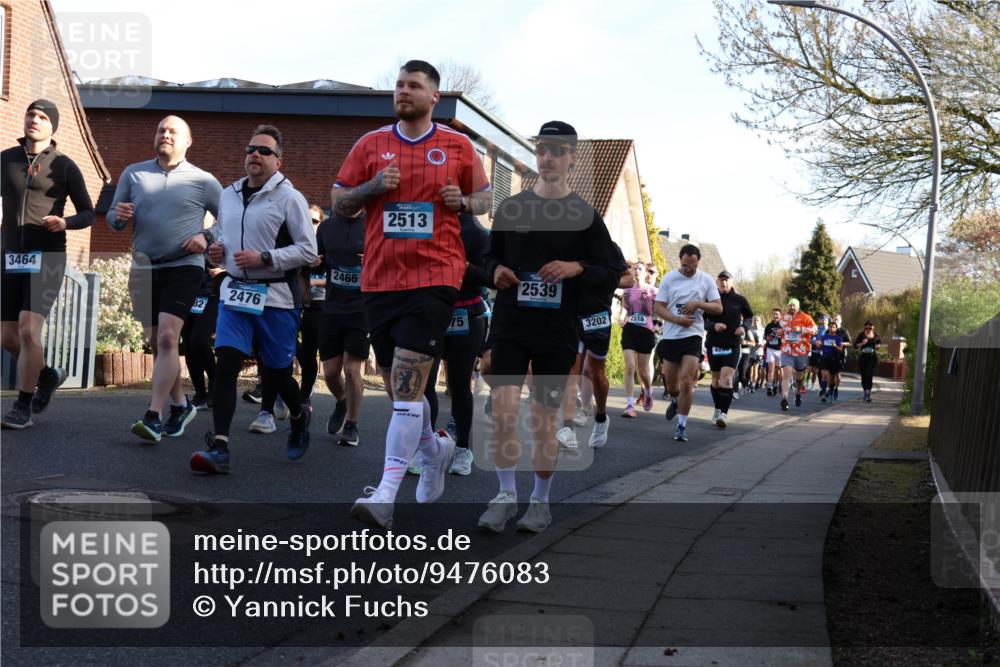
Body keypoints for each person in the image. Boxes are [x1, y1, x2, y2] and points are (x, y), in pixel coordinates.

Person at [332, 60, 492, 529]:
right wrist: (370, 188)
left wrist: (461, 202)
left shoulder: (457, 146)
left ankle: (385, 493)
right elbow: (339, 200)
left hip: (436, 276)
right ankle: (433, 447)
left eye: (413, 86)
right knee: (399, 382)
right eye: (399, 85)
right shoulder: (370, 144)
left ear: (433, 97)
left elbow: (485, 199)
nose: (403, 92)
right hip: (380, 279)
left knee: (405, 385)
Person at [477, 119, 620, 533]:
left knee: (543, 421)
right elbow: (488, 258)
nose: (548, 157)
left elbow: (611, 270)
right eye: (542, 149)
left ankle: (540, 503)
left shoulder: (584, 217)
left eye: (558, 151)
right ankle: (505, 496)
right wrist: (496, 270)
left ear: (572, 158)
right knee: (503, 414)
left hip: (557, 330)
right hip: (510, 323)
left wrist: (577, 267)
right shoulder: (512, 208)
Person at [189, 124, 317, 473]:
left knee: (276, 373)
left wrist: (265, 258)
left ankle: (298, 412)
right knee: (227, 363)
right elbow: (226, 240)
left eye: (264, 151)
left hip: (276, 295)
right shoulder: (228, 195)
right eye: (251, 150)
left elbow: (308, 249)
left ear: (278, 161)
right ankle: (220, 448)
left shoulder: (291, 198)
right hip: (235, 294)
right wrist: (218, 252)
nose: (255, 155)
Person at [108, 116, 223, 441]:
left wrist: (207, 235)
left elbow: (230, 217)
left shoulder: (203, 179)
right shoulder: (134, 172)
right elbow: (115, 219)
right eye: (161, 129)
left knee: (169, 339)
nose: (165, 134)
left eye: (173, 131)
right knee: (158, 343)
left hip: (184, 266)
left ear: (188, 141)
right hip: (144, 266)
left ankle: (153, 416)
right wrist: (118, 217)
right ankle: (180, 404)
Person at [1, 100, 95, 429]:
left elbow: (88, 211)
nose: (35, 120)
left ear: (52, 126)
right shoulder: (6, 160)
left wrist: (65, 222)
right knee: (7, 336)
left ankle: (22, 406)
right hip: (11, 256)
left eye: (42, 117)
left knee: (28, 329)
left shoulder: (65, 165)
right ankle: (46, 375)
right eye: (31, 114)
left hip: (49, 256)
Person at [423, 213, 491, 473]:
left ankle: (463, 449)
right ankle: (427, 448)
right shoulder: (428, 221)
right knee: (425, 385)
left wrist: (459, 265)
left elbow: (489, 277)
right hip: (432, 312)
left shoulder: (475, 232)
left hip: (466, 313)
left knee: (459, 385)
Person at [556, 242, 630, 449]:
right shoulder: (565, 244)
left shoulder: (608, 246)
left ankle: (601, 417)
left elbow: (629, 279)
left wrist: (603, 281)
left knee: (594, 374)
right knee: (571, 370)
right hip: (570, 313)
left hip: (597, 314)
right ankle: (568, 428)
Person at [653, 244, 723, 442]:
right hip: (671, 336)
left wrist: (699, 304)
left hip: (693, 336)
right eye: (684, 265)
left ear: (697, 262)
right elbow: (659, 307)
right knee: (673, 386)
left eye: (691, 266)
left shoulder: (706, 280)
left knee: (686, 381)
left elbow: (718, 308)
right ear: (680, 261)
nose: (688, 269)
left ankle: (682, 426)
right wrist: (677, 320)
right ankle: (675, 400)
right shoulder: (669, 279)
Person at [316, 209, 369, 447]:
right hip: (332, 307)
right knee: (330, 372)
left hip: (361, 308)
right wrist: (315, 262)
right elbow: (317, 261)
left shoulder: (373, 225)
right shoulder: (326, 227)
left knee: (352, 369)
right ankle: (341, 401)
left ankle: (352, 423)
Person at [703, 272, 753, 428]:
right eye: (721, 280)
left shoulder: (739, 300)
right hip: (714, 344)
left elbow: (749, 317)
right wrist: (713, 326)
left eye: (727, 280)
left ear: (731, 282)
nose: (724, 283)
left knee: (727, 378)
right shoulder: (710, 299)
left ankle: (724, 414)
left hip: (732, 344)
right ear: (717, 282)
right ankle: (717, 409)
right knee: (716, 380)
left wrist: (743, 327)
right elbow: (703, 319)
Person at [619, 262, 659, 418]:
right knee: (629, 366)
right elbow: (624, 310)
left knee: (643, 371)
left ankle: (648, 390)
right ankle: (629, 405)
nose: (636, 271)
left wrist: (657, 324)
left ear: (645, 273)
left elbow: (661, 310)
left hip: (646, 332)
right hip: (630, 330)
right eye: (634, 268)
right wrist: (621, 320)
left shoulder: (653, 291)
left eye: (639, 269)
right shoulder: (627, 292)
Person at [778, 298, 818, 411]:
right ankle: (784, 399)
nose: (792, 307)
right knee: (787, 374)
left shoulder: (806, 317)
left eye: (794, 305)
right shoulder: (783, 318)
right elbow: (779, 330)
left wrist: (802, 329)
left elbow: (815, 330)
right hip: (787, 351)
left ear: (798, 306)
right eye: (790, 305)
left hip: (801, 352)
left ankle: (798, 392)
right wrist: (778, 332)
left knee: (799, 376)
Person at [817, 320, 844, 402]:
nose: (831, 328)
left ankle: (831, 393)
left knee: (832, 379)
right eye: (830, 327)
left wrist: (835, 346)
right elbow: (821, 346)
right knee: (824, 374)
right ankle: (824, 393)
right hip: (825, 357)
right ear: (828, 328)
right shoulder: (824, 337)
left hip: (834, 359)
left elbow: (841, 350)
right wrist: (819, 345)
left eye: (833, 327)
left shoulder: (838, 338)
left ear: (836, 328)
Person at [854, 321, 881, 402]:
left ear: (873, 327)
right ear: (864, 328)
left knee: (869, 375)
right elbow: (855, 345)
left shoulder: (876, 335)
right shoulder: (861, 335)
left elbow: (879, 344)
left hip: (872, 357)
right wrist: (862, 343)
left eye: (870, 328)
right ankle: (865, 393)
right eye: (866, 328)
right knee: (864, 376)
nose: (868, 329)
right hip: (863, 357)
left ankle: (868, 394)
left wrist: (877, 346)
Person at [763, 308, 783, 396]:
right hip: (770, 349)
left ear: (780, 316)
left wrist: (781, 337)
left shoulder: (783, 326)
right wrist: (768, 338)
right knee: (771, 369)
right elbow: (765, 337)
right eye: (774, 314)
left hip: (780, 350)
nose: (775, 316)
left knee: (779, 369)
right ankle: (770, 387)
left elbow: (787, 337)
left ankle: (778, 384)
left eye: (777, 314)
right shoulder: (769, 326)